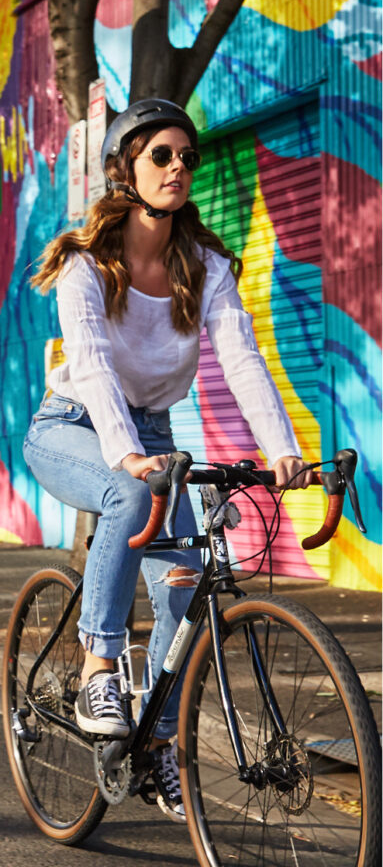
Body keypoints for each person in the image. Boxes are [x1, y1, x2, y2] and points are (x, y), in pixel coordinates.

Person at [23, 97, 312, 822]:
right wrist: (125, 457)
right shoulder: (87, 264)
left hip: (152, 437)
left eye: (187, 156)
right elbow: (89, 367)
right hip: (70, 427)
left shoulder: (204, 264)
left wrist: (282, 449)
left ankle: (154, 748)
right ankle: (96, 664)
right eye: (161, 155)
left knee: (185, 596)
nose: (178, 167)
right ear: (125, 169)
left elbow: (241, 359)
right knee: (127, 496)